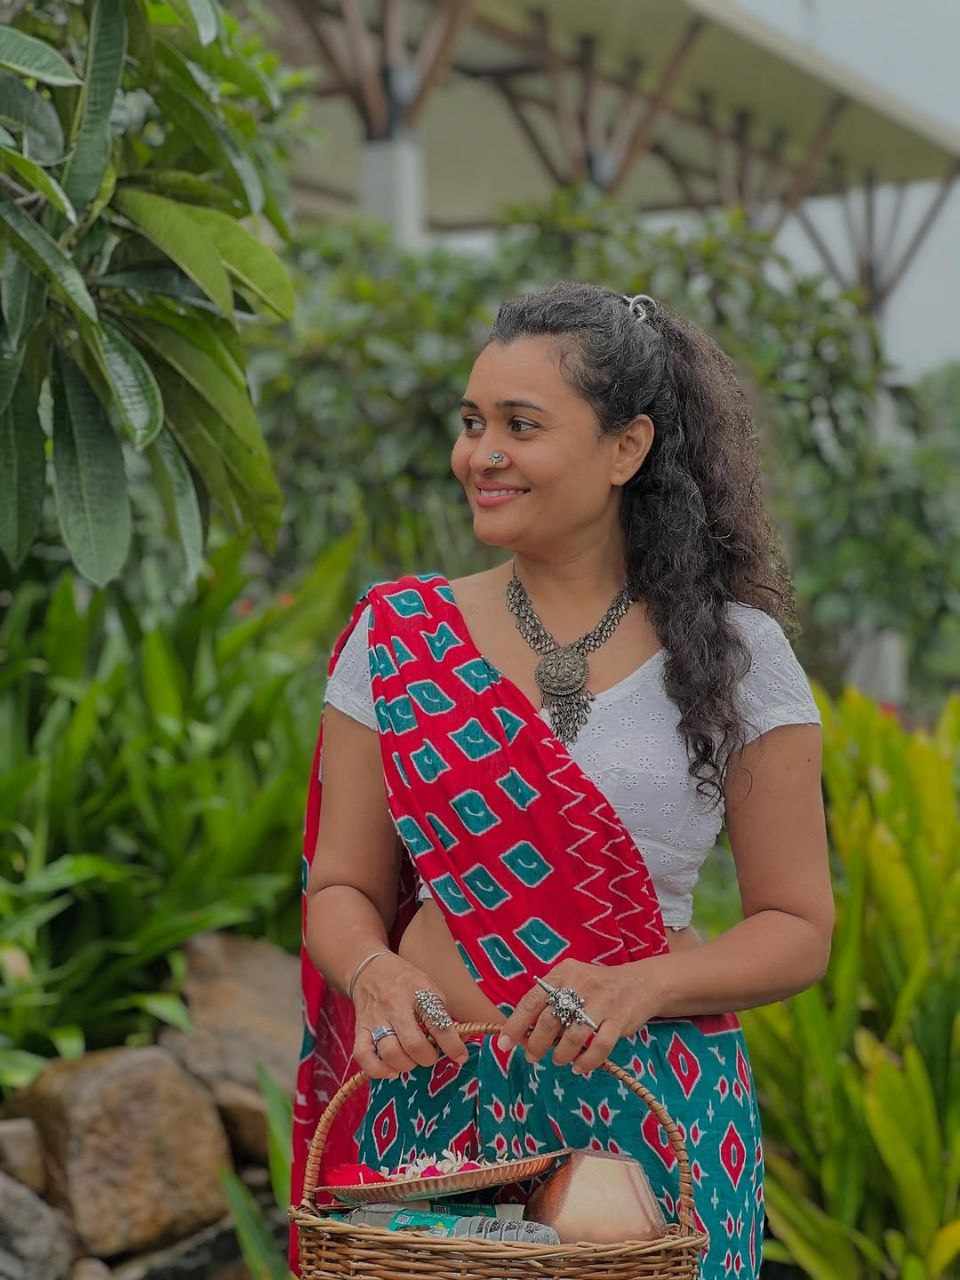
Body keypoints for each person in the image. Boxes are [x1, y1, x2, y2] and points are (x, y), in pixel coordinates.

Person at [289, 282, 833, 1280]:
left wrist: (641, 983)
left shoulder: (736, 653)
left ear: (627, 448)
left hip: (645, 1117)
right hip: (433, 1113)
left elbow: (797, 925)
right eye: (471, 423)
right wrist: (375, 974)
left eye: (520, 425)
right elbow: (340, 887)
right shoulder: (397, 638)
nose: (480, 454)